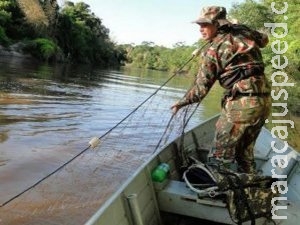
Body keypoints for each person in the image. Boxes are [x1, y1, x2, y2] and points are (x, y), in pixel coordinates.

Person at [171, 6, 271, 174]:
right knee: (244, 155)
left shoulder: (213, 50)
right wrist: (240, 26)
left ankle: (224, 196)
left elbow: (200, 90)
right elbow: (264, 40)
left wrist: (180, 103)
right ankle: (250, 194)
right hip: (264, 103)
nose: (201, 29)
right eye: (199, 25)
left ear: (217, 24)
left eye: (205, 25)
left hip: (242, 106)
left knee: (218, 158)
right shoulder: (244, 34)